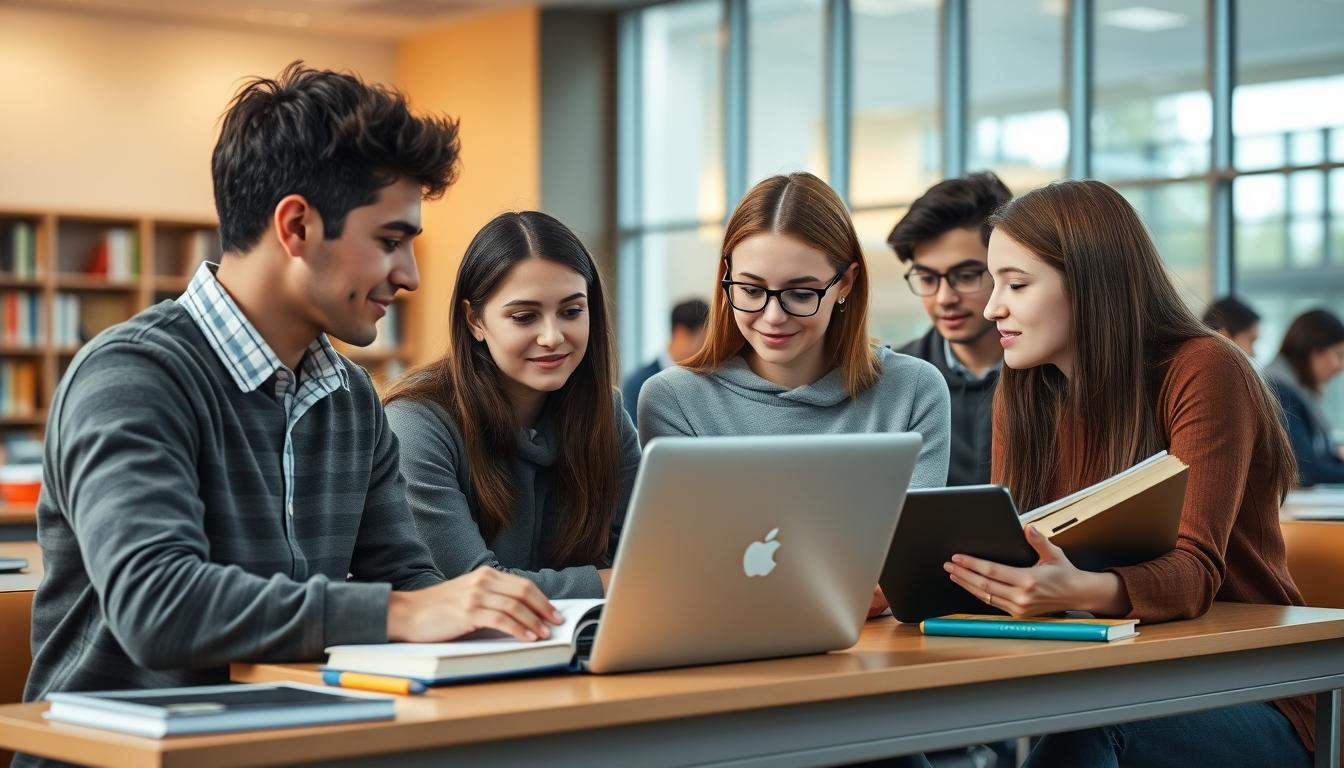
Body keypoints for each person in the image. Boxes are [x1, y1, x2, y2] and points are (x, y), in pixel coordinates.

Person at [22, 64, 561, 726]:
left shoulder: (350, 399)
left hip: (290, 737)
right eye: (391, 241)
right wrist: (403, 612)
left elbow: (409, 582)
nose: (412, 276)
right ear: (298, 227)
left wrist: (504, 627)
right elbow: (157, 605)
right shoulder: (132, 377)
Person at [944, 180, 1313, 767]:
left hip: (1245, 692)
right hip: (1102, 680)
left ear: (1091, 286)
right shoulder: (1024, 389)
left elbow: (1194, 574)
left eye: (1015, 284)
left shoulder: (1203, 368)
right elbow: (1017, 548)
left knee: (1090, 732)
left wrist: (1079, 590)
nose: (992, 308)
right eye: (993, 284)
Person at [384, 212, 640, 598]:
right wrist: (610, 582)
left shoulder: (606, 413)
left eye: (572, 312)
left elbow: (647, 563)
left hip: (587, 647)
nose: (553, 337)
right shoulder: (415, 424)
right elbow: (473, 589)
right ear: (475, 320)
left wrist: (630, 580)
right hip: (467, 654)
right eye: (524, 317)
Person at [889, 172, 1012, 485]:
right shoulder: (892, 381)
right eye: (928, 279)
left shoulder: (1059, 372)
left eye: (966, 275)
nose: (945, 298)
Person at [1265, 308, 1344, 485]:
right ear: (1315, 353)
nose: (1341, 367)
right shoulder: (1280, 392)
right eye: (1339, 356)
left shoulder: (1292, 390)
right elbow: (1307, 470)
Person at [621, 298, 710, 421]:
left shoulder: (708, 380)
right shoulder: (638, 383)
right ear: (681, 333)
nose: (708, 351)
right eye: (703, 341)